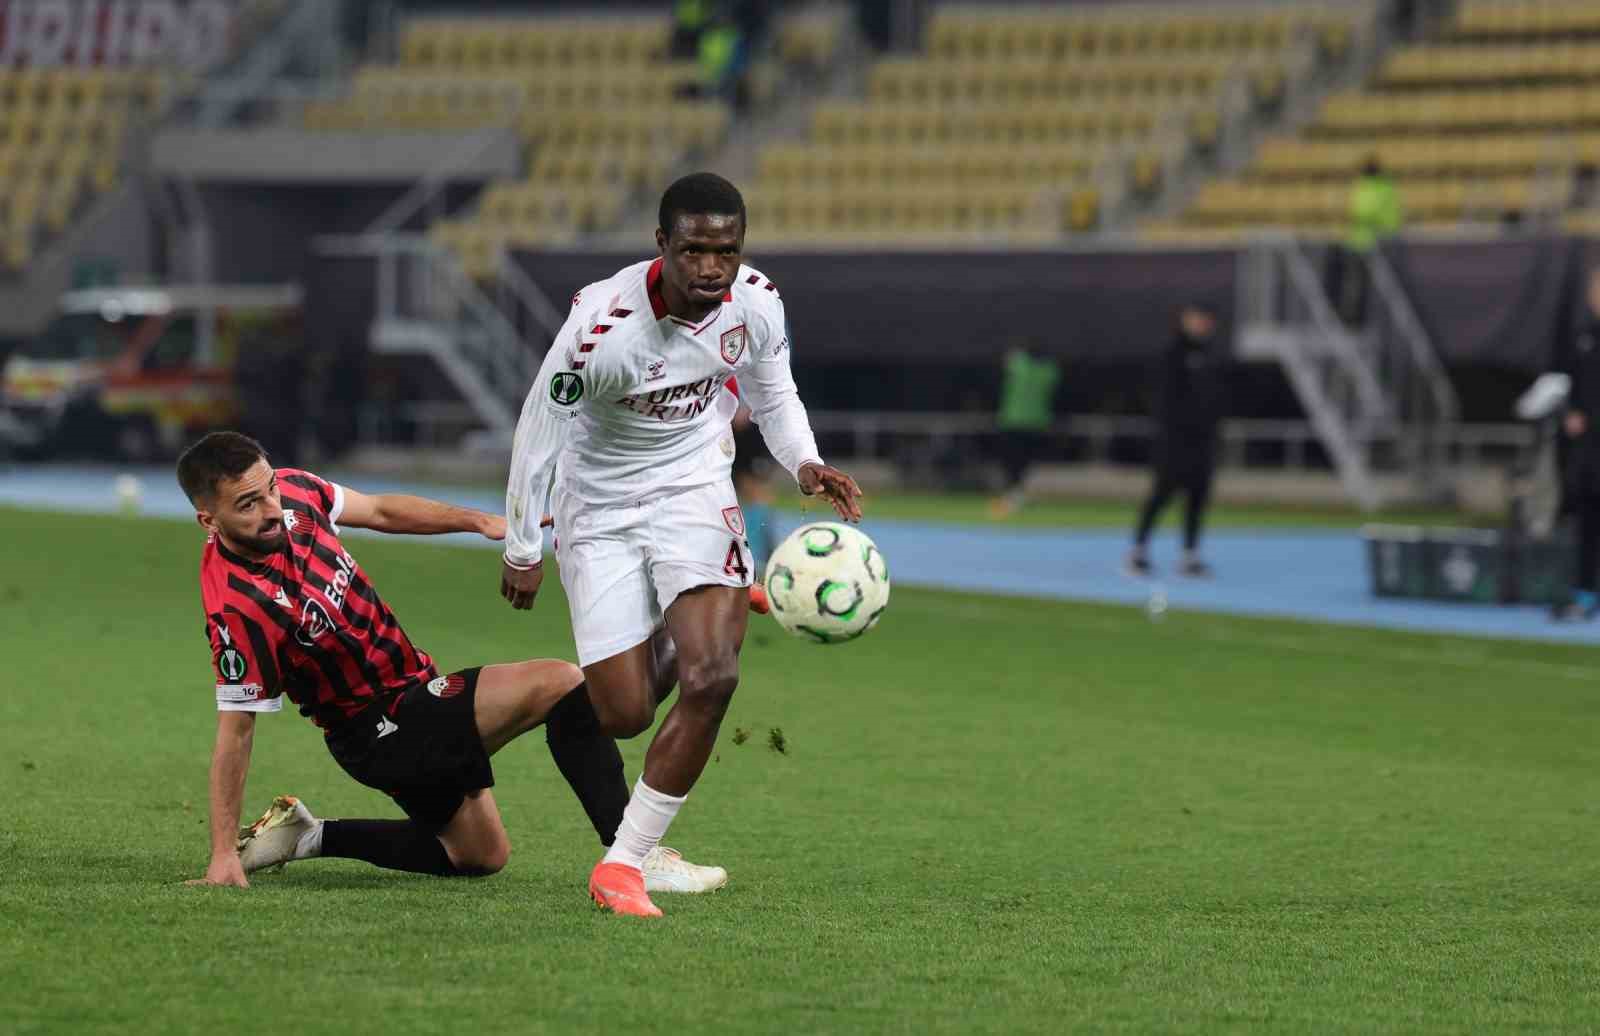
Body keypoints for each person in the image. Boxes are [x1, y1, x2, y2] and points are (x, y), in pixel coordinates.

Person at [500, 172, 863, 917]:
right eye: (693, 250)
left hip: (695, 487)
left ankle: (624, 865)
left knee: (714, 678)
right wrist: (521, 547)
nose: (710, 268)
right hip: (597, 506)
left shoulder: (757, 301)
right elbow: (539, 432)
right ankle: (715, 596)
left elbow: (772, 391)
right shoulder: (601, 330)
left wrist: (805, 461)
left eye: (724, 251)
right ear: (662, 244)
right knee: (626, 711)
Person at [179, 431, 725, 892]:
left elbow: (383, 510)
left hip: (415, 690)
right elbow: (237, 730)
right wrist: (223, 852)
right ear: (210, 520)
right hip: (376, 731)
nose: (272, 508)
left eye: (269, 489)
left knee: (481, 855)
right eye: (248, 505)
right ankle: (633, 857)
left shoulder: (294, 494)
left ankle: (307, 836)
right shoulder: (236, 609)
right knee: (560, 683)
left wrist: (481, 522)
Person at [1126, 304, 1228, 579]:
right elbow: (1161, 400)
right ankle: (1138, 552)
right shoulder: (1171, 355)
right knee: (1161, 495)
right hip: (1174, 441)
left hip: (1202, 442)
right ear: (1185, 321)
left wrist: (1211, 429)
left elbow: (1216, 399)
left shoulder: (1209, 357)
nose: (1202, 324)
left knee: (1198, 497)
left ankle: (1190, 556)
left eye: (1207, 320)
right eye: (1197, 319)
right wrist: (1172, 430)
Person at [1554, 269, 1600, 620]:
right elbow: (1571, 384)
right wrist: (1571, 413)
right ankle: (1584, 595)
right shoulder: (1583, 336)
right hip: (1588, 451)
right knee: (1586, 521)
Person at [989, 341, 1061, 519]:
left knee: (1012, 462)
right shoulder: (1049, 370)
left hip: (1014, 421)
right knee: (1021, 463)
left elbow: (1008, 360)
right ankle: (1015, 494)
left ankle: (1013, 494)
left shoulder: (1018, 365)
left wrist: (1017, 352)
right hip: (1036, 423)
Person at [1331, 156, 1403, 327]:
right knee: (1362, 286)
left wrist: (1352, 216)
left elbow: (1362, 212)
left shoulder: (1370, 188)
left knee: (1359, 286)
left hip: (1367, 244)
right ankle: (1355, 318)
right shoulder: (1386, 188)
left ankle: (1354, 320)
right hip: (1373, 244)